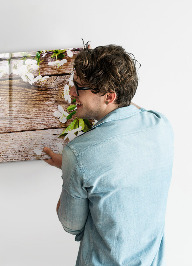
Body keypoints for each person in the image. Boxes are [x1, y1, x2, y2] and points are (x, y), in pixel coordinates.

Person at [43, 45, 174, 265]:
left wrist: (70, 169)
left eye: (79, 87)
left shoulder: (78, 153)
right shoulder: (161, 125)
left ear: (109, 95)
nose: (72, 92)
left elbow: (71, 225)